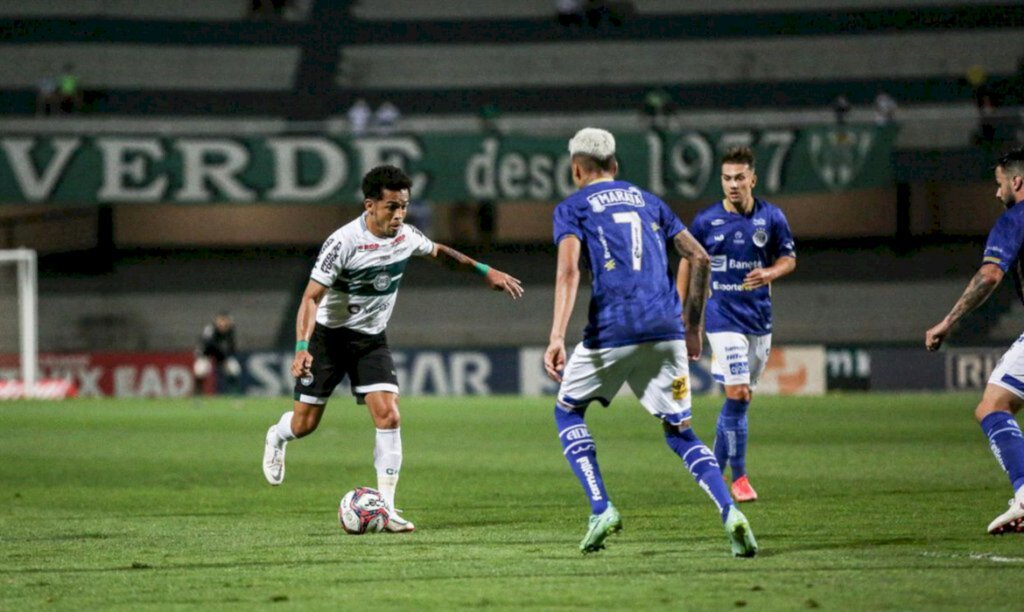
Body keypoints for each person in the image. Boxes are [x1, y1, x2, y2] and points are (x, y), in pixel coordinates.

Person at [262, 165, 524, 533]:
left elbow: (442, 253)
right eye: (391, 207)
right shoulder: (342, 242)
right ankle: (277, 435)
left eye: (404, 206)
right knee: (305, 424)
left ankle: (386, 509)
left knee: (389, 415)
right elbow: (310, 298)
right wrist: (302, 347)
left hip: (370, 340)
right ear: (370, 205)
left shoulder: (406, 236)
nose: (399, 215)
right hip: (328, 337)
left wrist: (486, 271)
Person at [543, 127, 758, 556]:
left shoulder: (573, 206)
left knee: (568, 411)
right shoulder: (649, 201)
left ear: (577, 170)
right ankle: (730, 512)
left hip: (612, 330)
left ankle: (601, 506)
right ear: (616, 167)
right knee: (680, 432)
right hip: (666, 330)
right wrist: (693, 328)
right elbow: (698, 256)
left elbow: (569, 271)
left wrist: (556, 336)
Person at [683, 147, 797, 503]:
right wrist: (686, 312)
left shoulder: (772, 217)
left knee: (739, 402)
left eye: (739, 178)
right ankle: (740, 478)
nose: (733, 185)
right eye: (726, 178)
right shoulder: (706, 221)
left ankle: (712, 471)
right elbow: (688, 261)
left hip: (758, 320)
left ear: (752, 179)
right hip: (722, 318)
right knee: (738, 393)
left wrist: (770, 272)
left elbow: (789, 258)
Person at [925, 148, 1024, 535]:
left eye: (999, 184)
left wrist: (948, 322)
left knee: (993, 405)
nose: (996, 193)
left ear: (1016, 182)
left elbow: (989, 276)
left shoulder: (1014, 218)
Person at [194, 312, 241, 396]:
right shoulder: (210, 329)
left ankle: (235, 394)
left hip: (221, 354)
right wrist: (223, 356)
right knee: (200, 370)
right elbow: (209, 344)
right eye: (221, 321)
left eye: (225, 321)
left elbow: (232, 347)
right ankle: (197, 394)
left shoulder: (230, 330)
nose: (223, 323)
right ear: (216, 321)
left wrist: (226, 358)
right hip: (206, 352)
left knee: (234, 368)